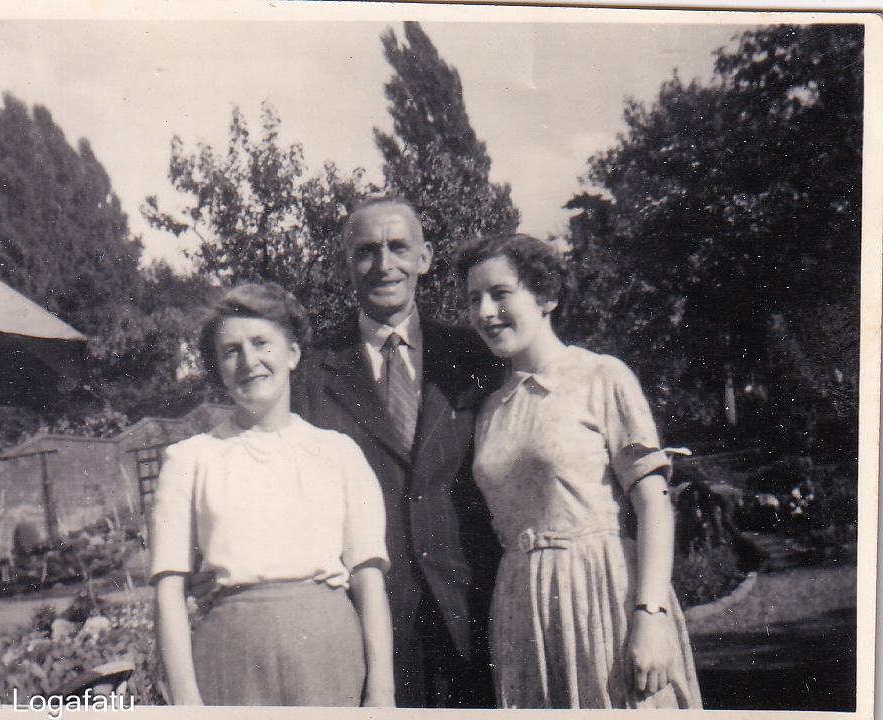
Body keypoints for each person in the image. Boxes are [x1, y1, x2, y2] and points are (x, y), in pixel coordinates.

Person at [455, 233, 702, 709]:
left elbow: (653, 502)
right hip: (521, 608)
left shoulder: (602, 377)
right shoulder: (489, 409)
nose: (485, 312)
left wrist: (651, 614)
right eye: (474, 300)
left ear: (545, 295)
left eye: (501, 293)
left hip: (602, 594)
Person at [292, 197, 503, 708]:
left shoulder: (476, 357)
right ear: (347, 266)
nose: (384, 265)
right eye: (366, 252)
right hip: (373, 626)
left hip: (476, 612)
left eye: (398, 247)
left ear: (425, 258)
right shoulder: (312, 375)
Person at [149, 283, 394, 707]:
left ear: (293, 354)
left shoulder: (338, 453)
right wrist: (187, 703)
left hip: (329, 654)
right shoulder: (187, 460)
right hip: (229, 659)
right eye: (231, 351)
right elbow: (168, 591)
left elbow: (369, 581)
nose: (249, 361)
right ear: (218, 369)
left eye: (262, 343)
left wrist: (382, 692)